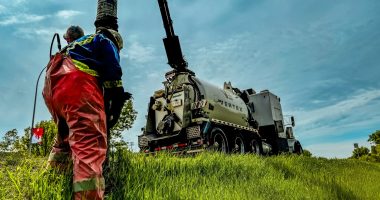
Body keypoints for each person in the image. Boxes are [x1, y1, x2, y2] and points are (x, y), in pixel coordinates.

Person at [43, 25, 125, 200]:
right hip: (76, 85)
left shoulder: (77, 44)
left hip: (52, 86)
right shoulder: (105, 40)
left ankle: (52, 184)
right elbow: (113, 76)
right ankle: (88, 196)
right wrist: (116, 107)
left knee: (64, 139)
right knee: (89, 141)